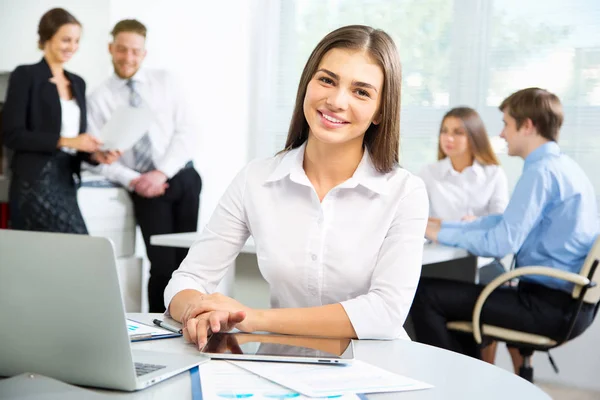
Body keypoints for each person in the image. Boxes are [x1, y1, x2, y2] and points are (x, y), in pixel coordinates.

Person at [164, 25, 429, 349]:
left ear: (379, 112)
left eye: (361, 92)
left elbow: (385, 313)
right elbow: (187, 279)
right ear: (307, 85)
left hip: (372, 370)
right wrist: (199, 310)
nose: (336, 101)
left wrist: (252, 319)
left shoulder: (405, 192)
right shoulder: (256, 179)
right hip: (274, 369)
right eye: (327, 80)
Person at [413, 88, 599, 372]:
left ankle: (456, 387)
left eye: (506, 124)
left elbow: (502, 242)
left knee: (424, 294)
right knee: (455, 294)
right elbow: (504, 222)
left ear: (527, 126)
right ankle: (469, 385)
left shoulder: (542, 172)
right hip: (568, 305)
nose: (501, 134)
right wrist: (442, 226)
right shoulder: (561, 166)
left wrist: (439, 234)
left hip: (548, 306)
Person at [86, 19, 202, 313]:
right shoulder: (98, 98)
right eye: (122, 50)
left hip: (182, 176)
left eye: (135, 51)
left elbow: (187, 131)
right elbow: (99, 158)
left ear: (144, 53)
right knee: (162, 267)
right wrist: (135, 180)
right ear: (111, 49)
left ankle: (190, 326)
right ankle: (159, 329)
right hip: (143, 188)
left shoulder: (166, 81)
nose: (128, 57)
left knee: (189, 268)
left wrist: (161, 172)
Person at [2, 8, 119, 233]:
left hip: (66, 179)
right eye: (66, 40)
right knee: (75, 248)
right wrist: (68, 141)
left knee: (67, 254)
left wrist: (96, 154)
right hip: (34, 180)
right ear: (47, 38)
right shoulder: (26, 76)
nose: (72, 47)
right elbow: (12, 135)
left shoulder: (78, 83)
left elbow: (77, 143)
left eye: (76, 41)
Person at [419, 107, 509, 283]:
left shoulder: (494, 174)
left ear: (474, 136)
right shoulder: (428, 173)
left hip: (482, 260)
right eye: (444, 131)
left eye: (458, 132)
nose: (448, 138)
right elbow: (417, 219)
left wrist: (455, 224)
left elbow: (500, 223)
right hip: (439, 259)